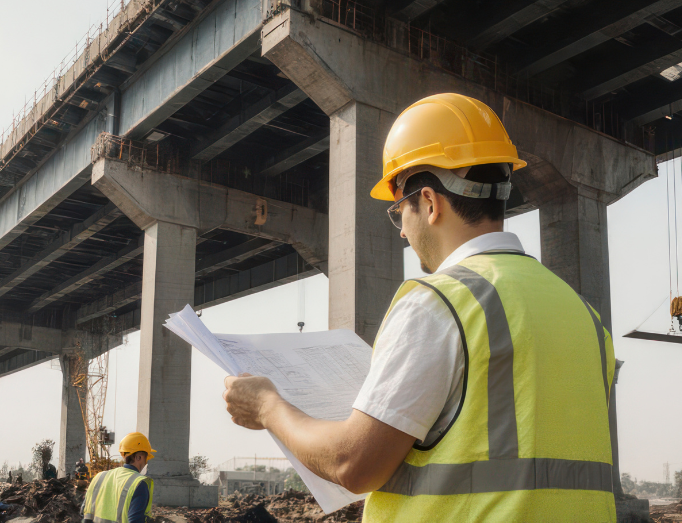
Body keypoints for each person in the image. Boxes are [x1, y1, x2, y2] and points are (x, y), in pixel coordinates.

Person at [223, 93, 617, 522]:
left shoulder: (441, 303)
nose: (402, 234)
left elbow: (353, 465)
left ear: (429, 202)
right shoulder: (584, 316)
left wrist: (268, 407)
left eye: (399, 212)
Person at [81, 432, 155, 523]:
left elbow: (85, 514)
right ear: (138, 457)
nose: (146, 463)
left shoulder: (99, 477)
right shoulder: (138, 484)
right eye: (146, 458)